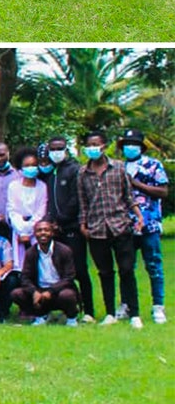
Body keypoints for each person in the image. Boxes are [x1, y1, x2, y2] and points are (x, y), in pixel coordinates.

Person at [78, 132, 144, 328]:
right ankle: (109, 313)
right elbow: (83, 202)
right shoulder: (82, 173)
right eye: (89, 144)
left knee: (126, 270)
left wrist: (138, 215)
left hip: (120, 226)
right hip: (96, 229)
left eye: (96, 144)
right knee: (105, 272)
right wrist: (83, 225)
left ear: (104, 146)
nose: (93, 148)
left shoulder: (118, 168)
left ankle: (134, 313)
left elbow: (129, 196)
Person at [118, 129, 168, 324]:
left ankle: (158, 306)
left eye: (134, 143)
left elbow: (163, 191)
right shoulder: (118, 167)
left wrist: (136, 184)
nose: (131, 147)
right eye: (127, 143)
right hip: (125, 225)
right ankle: (126, 304)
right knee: (125, 267)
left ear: (141, 146)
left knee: (154, 265)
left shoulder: (153, 165)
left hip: (149, 224)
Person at [44, 136, 96, 319]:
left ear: (66, 149)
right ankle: (64, 308)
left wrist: (61, 219)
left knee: (79, 270)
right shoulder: (52, 174)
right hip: (56, 230)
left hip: (72, 228)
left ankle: (89, 310)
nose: (56, 152)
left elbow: (76, 199)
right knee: (57, 271)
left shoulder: (74, 170)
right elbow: (50, 202)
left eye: (60, 148)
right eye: (53, 149)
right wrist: (51, 222)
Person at [10, 220, 81, 327]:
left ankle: (71, 317)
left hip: (59, 290)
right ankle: (40, 315)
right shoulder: (30, 253)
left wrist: (51, 291)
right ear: (34, 234)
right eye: (39, 230)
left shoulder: (64, 251)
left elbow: (69, 277)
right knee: (17, 294)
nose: (43, 233)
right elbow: (25, 277)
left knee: (68, 295)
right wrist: (34, 292)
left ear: (52, 233)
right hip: (40, 291)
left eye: (46, 230)